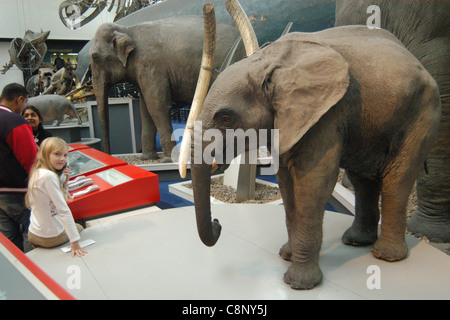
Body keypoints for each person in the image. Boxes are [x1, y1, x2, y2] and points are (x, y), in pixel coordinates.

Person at [26, 137, 87, 257]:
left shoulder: (37, 171)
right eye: (57, 154)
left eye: (65, 155)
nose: (63, 159)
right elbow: (63, 210)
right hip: (50, 237)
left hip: (33, 233)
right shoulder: (49, 176)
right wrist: (74, 242)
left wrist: (64, 183)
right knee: (79, 227)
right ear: (45, 154)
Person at [0, 83, 37, 251]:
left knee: (10, 246)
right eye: (25, 102)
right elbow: (30, 158)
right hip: (19, 193)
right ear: (19, 99)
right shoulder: (14, 121)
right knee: (34, 237)